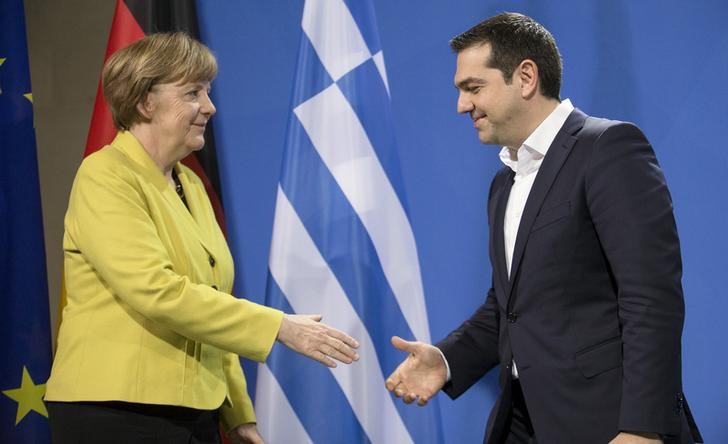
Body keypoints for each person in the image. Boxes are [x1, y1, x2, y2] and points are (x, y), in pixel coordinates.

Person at [385, 12, 702, 444]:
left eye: (473, 88)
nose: (462, 105)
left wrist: (643, 428)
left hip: (607, 424)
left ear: (527, 77)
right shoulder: (504, 182)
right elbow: (509, 308)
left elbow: (651, 298)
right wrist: (446, 359)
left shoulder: (608, 149)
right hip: (522, 423)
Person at [44, 32, 359, 444]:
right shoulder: (105, 175)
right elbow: (155, 290)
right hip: (115, 413)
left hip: (193, 415)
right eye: (192, 92)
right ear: (144, 101)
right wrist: (278, 326)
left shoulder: (189, 182)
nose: (209, 107)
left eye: (207, 92)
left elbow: (210, 299)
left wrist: (238, 413)